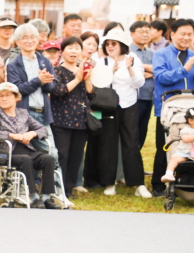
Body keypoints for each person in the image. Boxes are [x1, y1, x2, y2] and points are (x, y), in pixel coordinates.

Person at [83, 28, 149, 198]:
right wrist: (110, 72)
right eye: (108, 44)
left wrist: (130, 69)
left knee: (131, 144)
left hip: (129, 105)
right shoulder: (102, 61)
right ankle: (109, 183)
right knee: (108, 144)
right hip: (109, 106)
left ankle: (138, 183)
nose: (110, 47)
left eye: (114, 43)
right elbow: (98, 85)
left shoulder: (133, 59)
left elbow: (139, 83)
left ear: (122, 45)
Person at [0, 82, 61, 209]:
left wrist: (32, 133)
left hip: (26, 150)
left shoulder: (23, 113)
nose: (4, 98)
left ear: (16, 98)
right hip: (5, 152)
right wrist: (12, 135)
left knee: (47, 158)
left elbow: (43, 129)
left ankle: (47, 198)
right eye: (0, 96)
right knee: (26, 160)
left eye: (7, 95)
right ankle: (34, 198)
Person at [150, 18, 194, 196]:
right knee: (165, 146)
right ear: (172, 34)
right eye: (183, 34)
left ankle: (185, 183)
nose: (186, 37)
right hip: (168, 110)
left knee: (189, 147)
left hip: (191, 110)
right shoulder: (161, 54)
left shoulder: (192, 54)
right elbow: (161, 77)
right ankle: (158, 185)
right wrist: (184, 69)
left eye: (190, 34)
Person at [49, 37, 94, 198]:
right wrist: (77, 79)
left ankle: (69, 188)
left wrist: (87, 79)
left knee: (76, 156)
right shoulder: (57, 71)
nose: (73, 51)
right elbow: (58, 91)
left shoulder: (83, 70)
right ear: (63, 51)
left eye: (77, 48)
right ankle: (58, 188)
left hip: (80, 120)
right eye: (70, 48)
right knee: (62, 155)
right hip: (61, 120)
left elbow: (92, 95)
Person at [129, 21, 154, 149]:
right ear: (132, 34)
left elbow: (158, 70)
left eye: (147, 31)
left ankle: (137, 156)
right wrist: (149, 71)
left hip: (148, 97)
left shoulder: (152, 53)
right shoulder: (127, 52)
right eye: (141, 32)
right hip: (134, 98)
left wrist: (141, 68)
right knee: (132, 131)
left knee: (142, 131)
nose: (145, 34)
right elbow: (131, 74)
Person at [161, 108, 194, 182]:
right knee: (174, 159)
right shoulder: (186, 130)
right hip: (185, 153)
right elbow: (185, 139)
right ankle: (169, 174)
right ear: (191, 121)